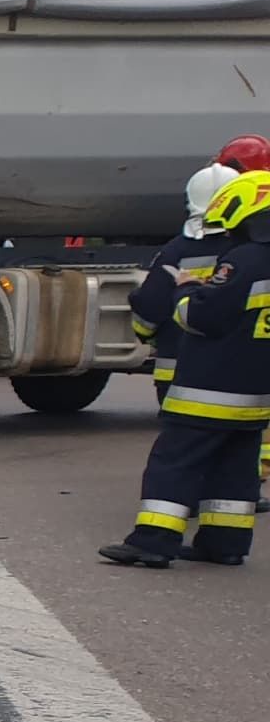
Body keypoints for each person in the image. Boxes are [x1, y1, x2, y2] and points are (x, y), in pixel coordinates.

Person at [101, 170, 270, 568]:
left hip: (209, 390)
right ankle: (224, 543)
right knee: (235, 470)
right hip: (256, 395)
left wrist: (186, 290)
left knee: (175, 463)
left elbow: (201, 317)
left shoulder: (243, 260)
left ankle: (153, 542)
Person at [132, 164, 240, 410]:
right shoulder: (252, 252)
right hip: (238, 373)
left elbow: (149, 308)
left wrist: (148, 334)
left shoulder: (175, 251)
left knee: (185, 446)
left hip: (179, 379)